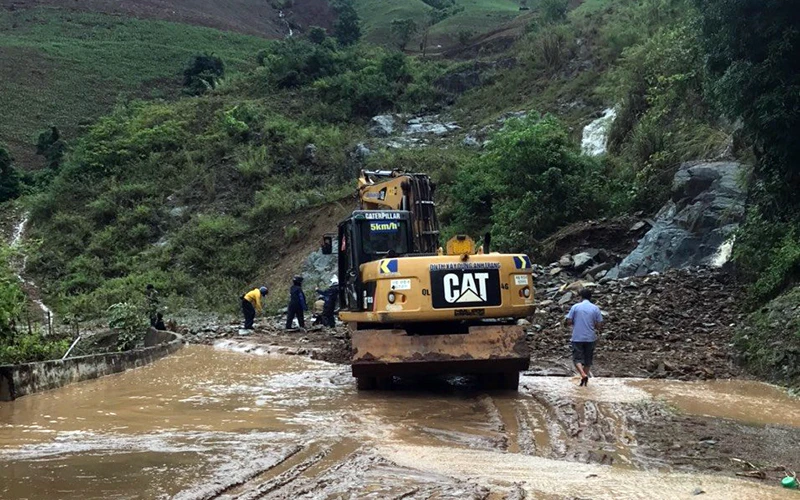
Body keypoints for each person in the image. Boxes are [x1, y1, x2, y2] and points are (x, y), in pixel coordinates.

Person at [565, 288, 603, 387]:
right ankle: (584, 379)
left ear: (580, 297)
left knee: (577, 359)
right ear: (590, 297)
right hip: (590, 337)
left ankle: (582, 374)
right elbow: (599, 325)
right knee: (588, 360)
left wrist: (573, 322)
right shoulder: (595, 308)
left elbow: (568, 321)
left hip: (577, 337)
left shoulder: (575, 307)